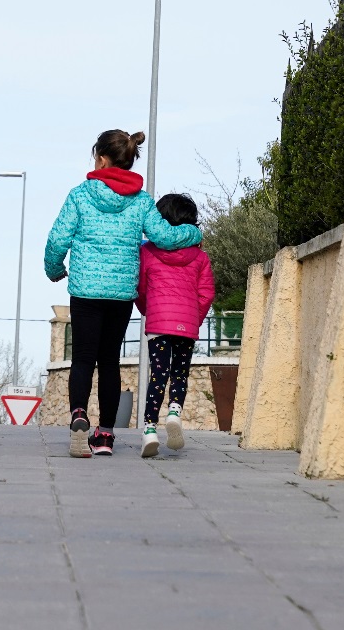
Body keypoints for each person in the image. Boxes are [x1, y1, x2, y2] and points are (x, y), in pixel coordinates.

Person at [44, 130, 201, 457]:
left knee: (83, 359)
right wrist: (192, 231)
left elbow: (58, 239)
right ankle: (105, 435)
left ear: (101, 158)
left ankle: (78, 416)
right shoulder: (141, 201)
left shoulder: (80, 195)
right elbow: (164, 237)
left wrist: (55, 269)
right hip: (120, 294)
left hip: (85, 291)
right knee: (109, 361)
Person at [135, 193, 214, 458]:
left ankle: (149, 430)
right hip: (186, 324)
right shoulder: (200, 256)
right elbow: (206, 294)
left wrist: (149, 312)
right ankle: (174, 413)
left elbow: (140, 288)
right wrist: (194, 318)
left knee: (158, 375)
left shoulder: (147, 252)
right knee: (179, 373)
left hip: (159, 321)